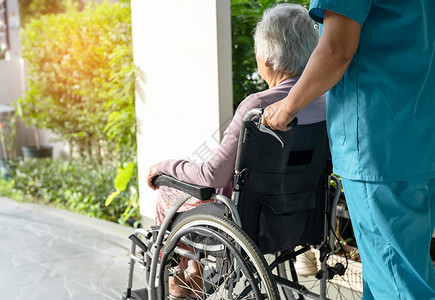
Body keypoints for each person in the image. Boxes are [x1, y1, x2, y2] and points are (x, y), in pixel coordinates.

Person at [146, 4, 326, 299]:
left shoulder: (256, 107)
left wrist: (165, 166)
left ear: (267, 57)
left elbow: (210, 176)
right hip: (302, 215)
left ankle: (190, 270)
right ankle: (191, 271)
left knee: (168, 192)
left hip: (248, 222)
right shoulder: (325, 102)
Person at [262, 1, 435, 299]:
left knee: (397, 283)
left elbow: (335, 51)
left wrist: (287, 107)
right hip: (418, 132)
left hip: (378, 143)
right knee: (400, 272)